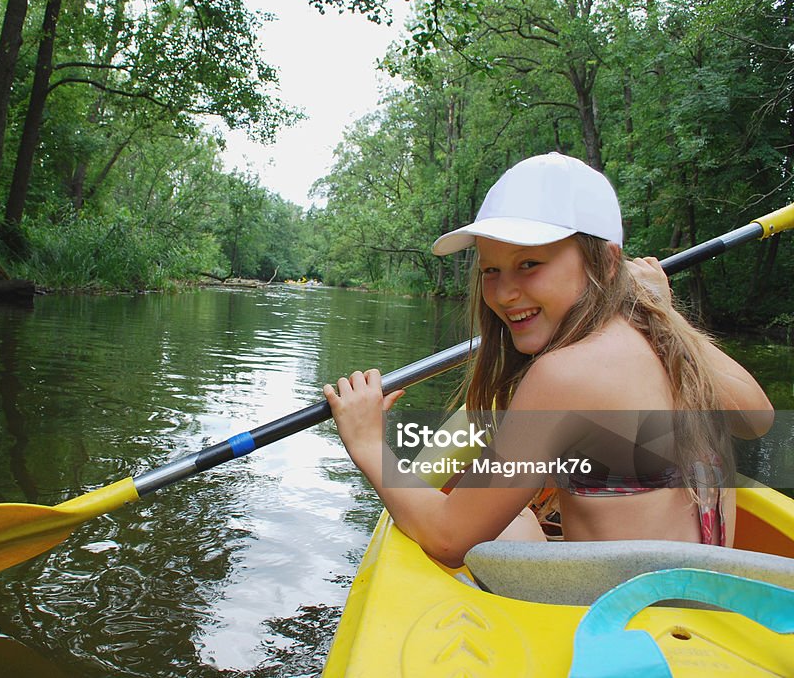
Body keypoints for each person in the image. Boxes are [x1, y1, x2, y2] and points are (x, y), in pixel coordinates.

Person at [323, 152, 774, 568]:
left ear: (608, 264)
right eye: (490, 270)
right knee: (515, 515)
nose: (503, 293)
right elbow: (757, 419)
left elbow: (448, 538)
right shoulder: (665, 345)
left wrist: (368, 443)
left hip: (618, 619)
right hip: (697, 610)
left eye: (529, 264)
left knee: (491, 521)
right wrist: (663, 312)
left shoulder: (565, 373)